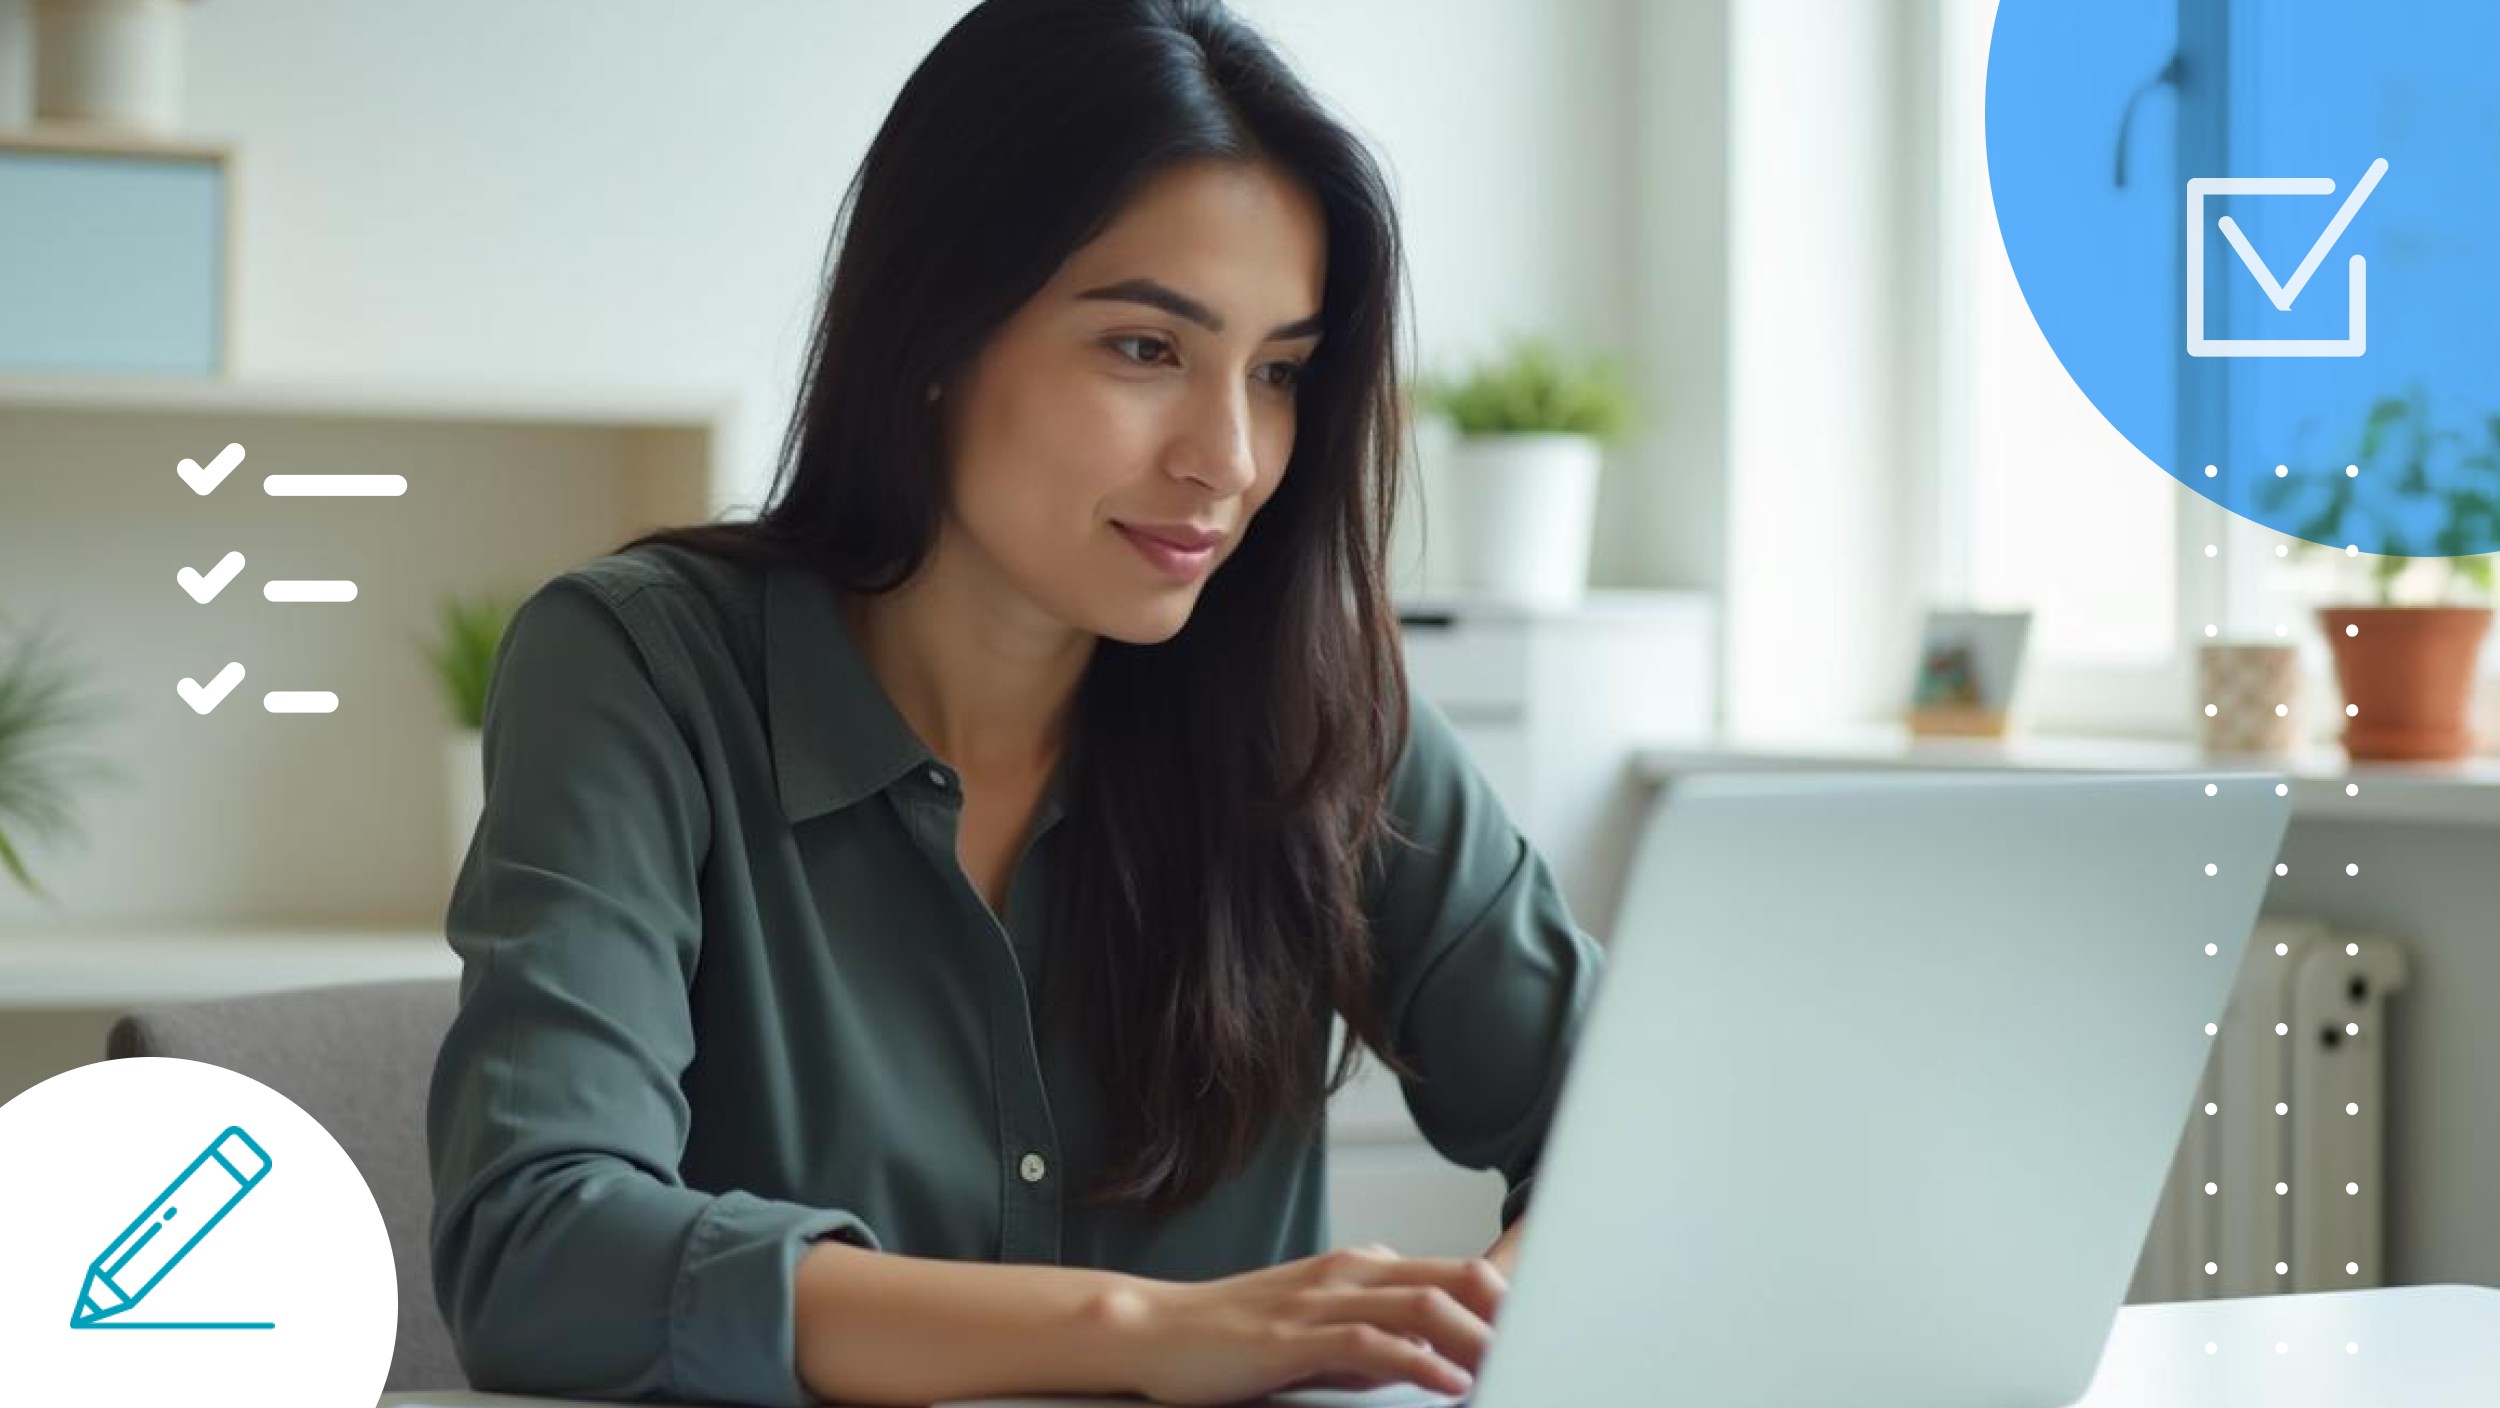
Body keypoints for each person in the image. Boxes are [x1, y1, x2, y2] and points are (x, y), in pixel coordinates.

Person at [424, 1, 1604, 1404]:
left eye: (1279, 374)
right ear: (936, 331)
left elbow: (1651, 1128)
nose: (1227, 459)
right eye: (1146, 351)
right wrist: (1143, 1333)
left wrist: (1483, 1315)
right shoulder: (641, 673)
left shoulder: (1317, 720)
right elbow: (538, 1250)